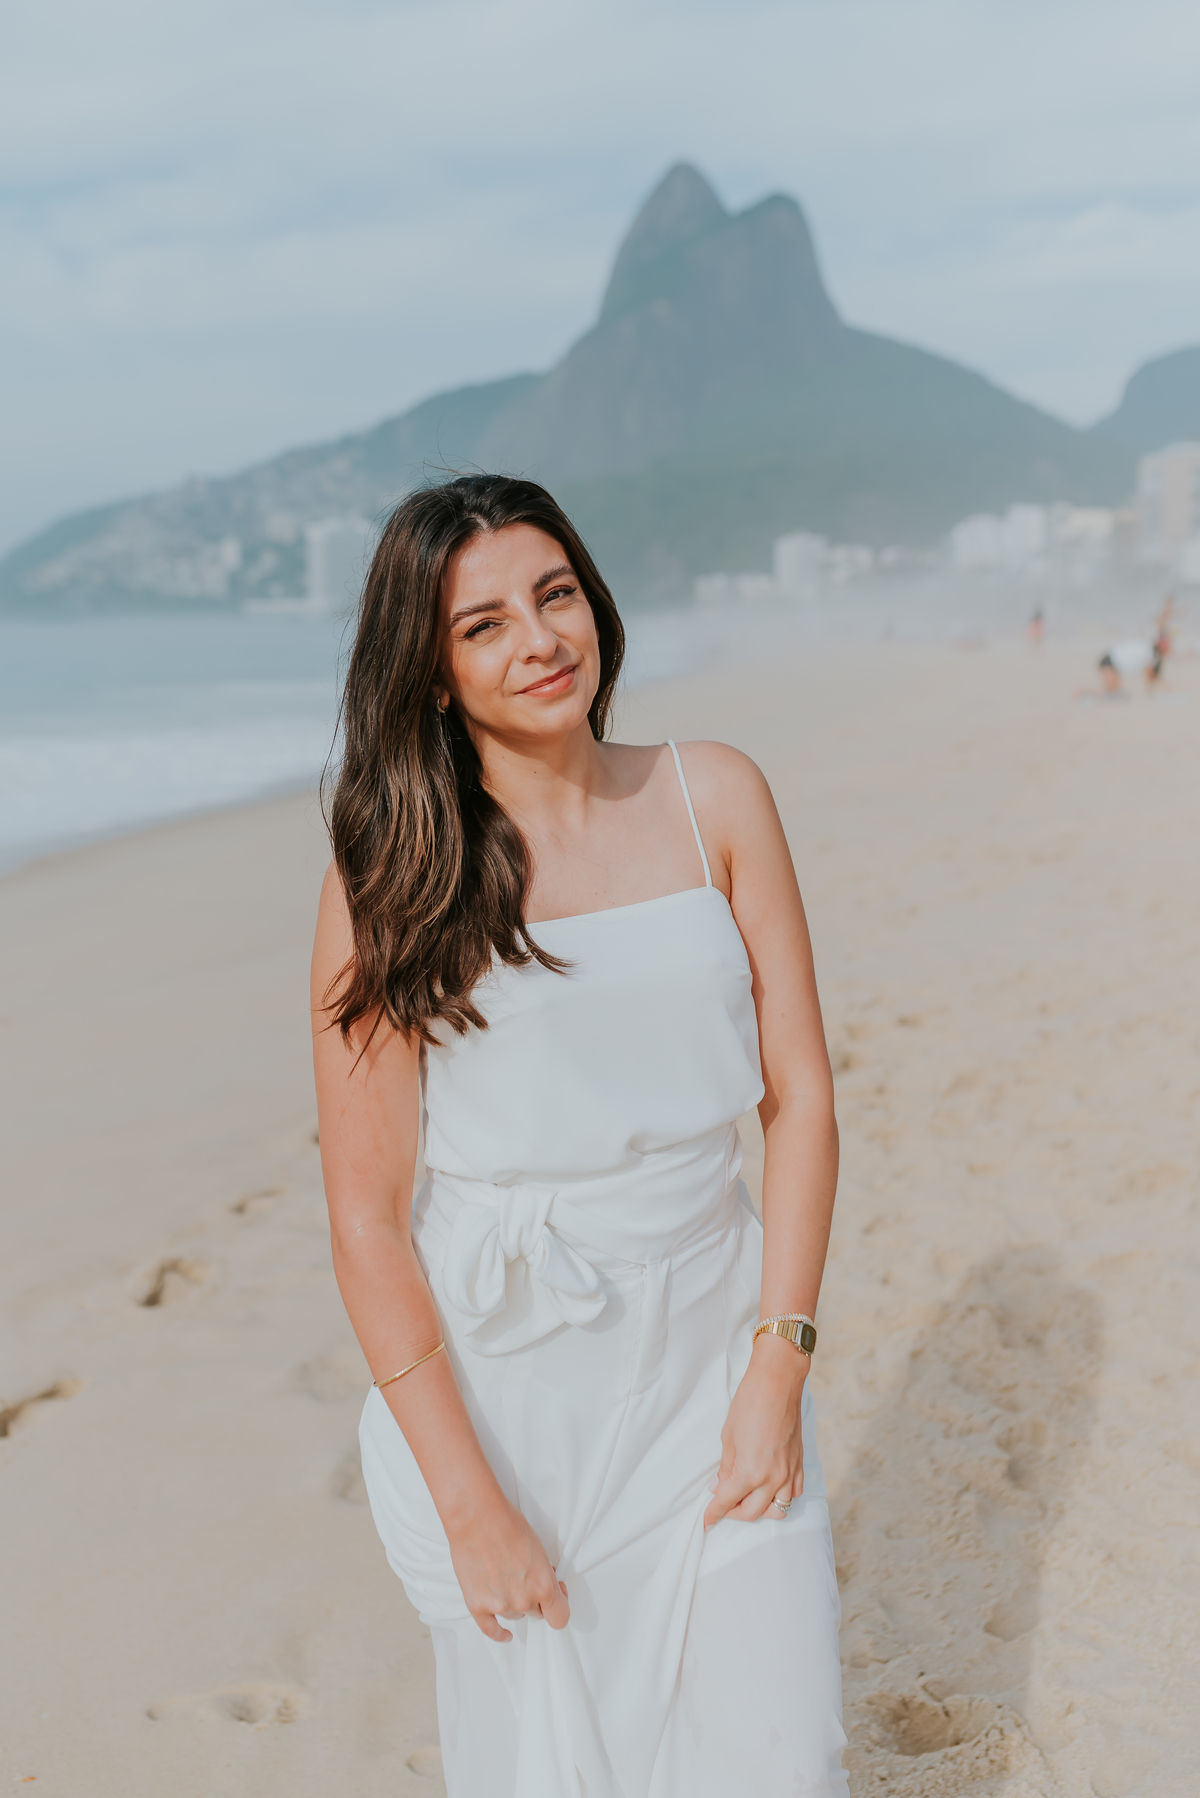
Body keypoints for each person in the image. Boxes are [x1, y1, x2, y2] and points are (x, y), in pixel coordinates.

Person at [310, 474, 848, 1797]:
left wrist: (777, 1367)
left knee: (784, 1753)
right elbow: (367, 1220)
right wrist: (470, 1503)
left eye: (555, 595)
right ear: (431, 673)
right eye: (482, 622)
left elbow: (802, 1095)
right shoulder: (393, 873)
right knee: (558, 1768)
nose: (539, 639)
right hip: (510, 1398)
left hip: (717, 1345)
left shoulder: (710, 794)